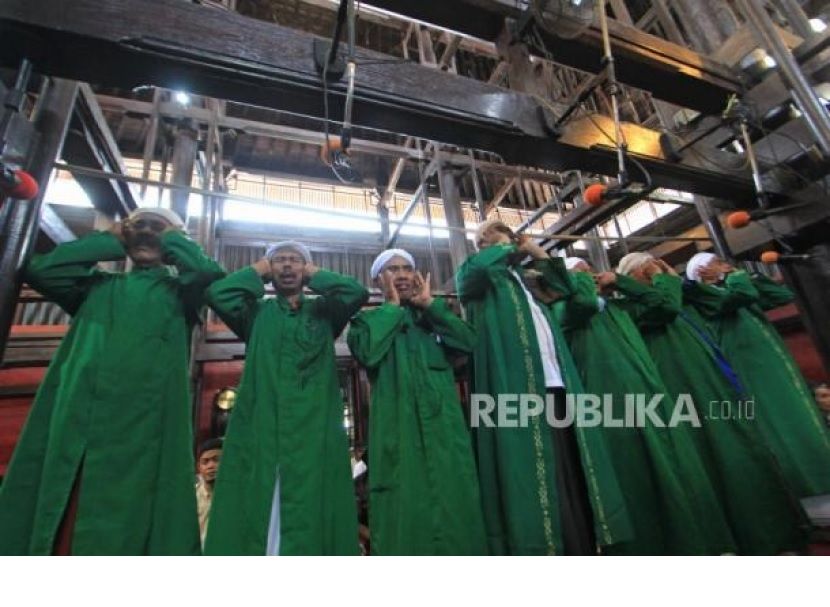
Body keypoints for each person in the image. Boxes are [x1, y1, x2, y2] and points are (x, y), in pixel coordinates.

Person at [0, 208, 224, 555]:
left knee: (130, 511)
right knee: (63, 506)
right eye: (140, 227)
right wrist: (111, 239)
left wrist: (172, 238)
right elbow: (42, 271)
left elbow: (209, 272)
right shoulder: (96, 286)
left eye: (158, 228)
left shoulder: (180, 291)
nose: (147, 233)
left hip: (141, 423)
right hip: (79, 411)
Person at [455, 219, 632, 555]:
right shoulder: (480, 276)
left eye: (490, 234)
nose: (483, 240)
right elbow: (470, 274)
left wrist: (533, 249)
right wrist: (505, 246)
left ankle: (584, 545)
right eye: (479, 238)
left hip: (557, 384)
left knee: (572, 468)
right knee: (537, 472)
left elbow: (566, 287)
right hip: (520, 388)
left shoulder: (527, 281)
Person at [614, 252, 808, 554]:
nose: (658, 271)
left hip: (717, 386)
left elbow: (737, 297)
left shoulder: (677, 296)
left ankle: (777, 535)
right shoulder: (631, 308)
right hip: (688, 394)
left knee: (746, 448)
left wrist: (722, 276)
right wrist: (661, 280)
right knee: (717, 457)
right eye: (648, 269)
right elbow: (665, 306)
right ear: (632, 277)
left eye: (658, 265)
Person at [553, 258, 735, 555]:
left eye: (590, 269)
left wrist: (623, 282)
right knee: (634, 477)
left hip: (650, 397)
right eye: (580, 271)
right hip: (610, 408)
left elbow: (664, 306)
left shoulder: (621, 310)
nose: (590, 274)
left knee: (674, 468)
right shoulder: (563, 310)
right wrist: (580, 281)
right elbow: (583, 303)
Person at [204, 240, 368, 555]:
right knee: (258, 497)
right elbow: (217, 293)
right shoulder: (254, 314)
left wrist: (315, 274)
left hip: (313, 428)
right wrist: (259, 270)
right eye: (279, 261)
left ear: (306, 269)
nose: (288, 266)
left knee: (310, 499)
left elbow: (355, 292)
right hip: (262, 424)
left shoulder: (325, 312)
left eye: (295, 260)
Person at [347, 249, 487, 555]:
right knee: (405, 516)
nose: (401, 275)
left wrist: (432, 308)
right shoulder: (365, 323)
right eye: (392, 270)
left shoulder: (434, 317)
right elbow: (368, 352)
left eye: (406, 269)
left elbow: (469, 342)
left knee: (457, 508)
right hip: (399, 434)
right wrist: (393, 309)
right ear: (378, 280)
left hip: (445, 435)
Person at [683, 251, 830, 498]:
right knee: (779, 424)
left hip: (776, 367)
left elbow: (782, 295)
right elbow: (743, 295)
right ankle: (805, 487)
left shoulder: (734, 290)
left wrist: (748, 275)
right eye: (717, 263)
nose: (726, 266)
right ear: (702, 273)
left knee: (801, 417)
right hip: (754, 370)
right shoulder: (708, 301)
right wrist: (731, 277)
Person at [195, 437, 223, 548]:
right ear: (199, 468)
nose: (210, 466)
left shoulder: (238, 496)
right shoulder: (191, 497)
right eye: (205, 462)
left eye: (216, 459)